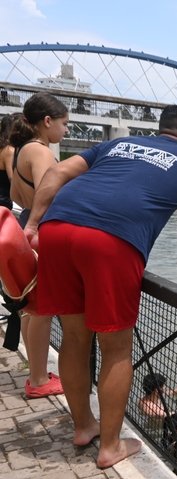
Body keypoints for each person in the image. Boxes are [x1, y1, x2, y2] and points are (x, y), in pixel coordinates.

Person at [23, 104, 177, 468]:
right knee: (116, 349)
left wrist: (33, 224)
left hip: (57, 229)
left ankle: (83, 427)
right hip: (111, 240)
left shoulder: (118, 145)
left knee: (74, 337)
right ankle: (110, 446)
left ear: (160, 129)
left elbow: (57, 172)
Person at [9, 92, 69, 398]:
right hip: (42, 232)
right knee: (43, 310)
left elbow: (17, 196)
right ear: (47, 121)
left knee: (31, 309)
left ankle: (37, 373)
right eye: (64, 123)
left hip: (25, 227)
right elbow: (50, 195)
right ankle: (39, 381)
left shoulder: (21, 150)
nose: (66, 130)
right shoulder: (42, 152)